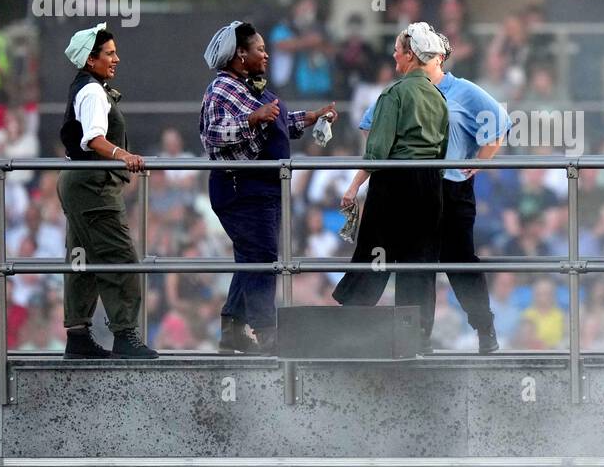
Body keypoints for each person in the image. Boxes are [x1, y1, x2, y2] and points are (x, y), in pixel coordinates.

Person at [346, 32, 511, 353]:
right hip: (417, 188)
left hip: (452, 187)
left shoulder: (463, 91)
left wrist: (479, 161)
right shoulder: (400, 91)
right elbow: (371, 126)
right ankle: (417, 337)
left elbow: (499, 123)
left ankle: (484, 327)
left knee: (460, 261)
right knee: (415, 264)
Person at [200, 21, 337, 354]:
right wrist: (251, 119)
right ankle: (265, 330)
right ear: (239, 54)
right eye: (259, 49)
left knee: (251, 257)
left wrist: (312, 116)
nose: (266, 54)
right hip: (239, 188)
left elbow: (278, 122)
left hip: (262, 190)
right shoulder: (221, 88)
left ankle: (232, 328)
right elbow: (212, 134)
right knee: (261, 257)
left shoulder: (250, 88)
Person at [333, 23, 449, 351]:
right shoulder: (438, 98)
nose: (394, 54)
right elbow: (442, 150)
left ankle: (353, 321)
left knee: (376, 250)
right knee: (419, 260)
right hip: (428, 185)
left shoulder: (394, 94)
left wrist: (353, 186)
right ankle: (417, 334)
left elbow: (377, 151)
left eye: (398, 49)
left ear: (410, 55)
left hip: (394, 181)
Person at [56, 23, 156, 359]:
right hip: (92, 186)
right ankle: (125, 336)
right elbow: (94, 139)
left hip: (79, 183)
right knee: (119, 257)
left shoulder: (85, 87)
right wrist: (124, 155)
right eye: (109, 53)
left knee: (82, 259)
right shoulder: (93, 92)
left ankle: (78, 336)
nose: (116, 58)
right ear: (90, 59)